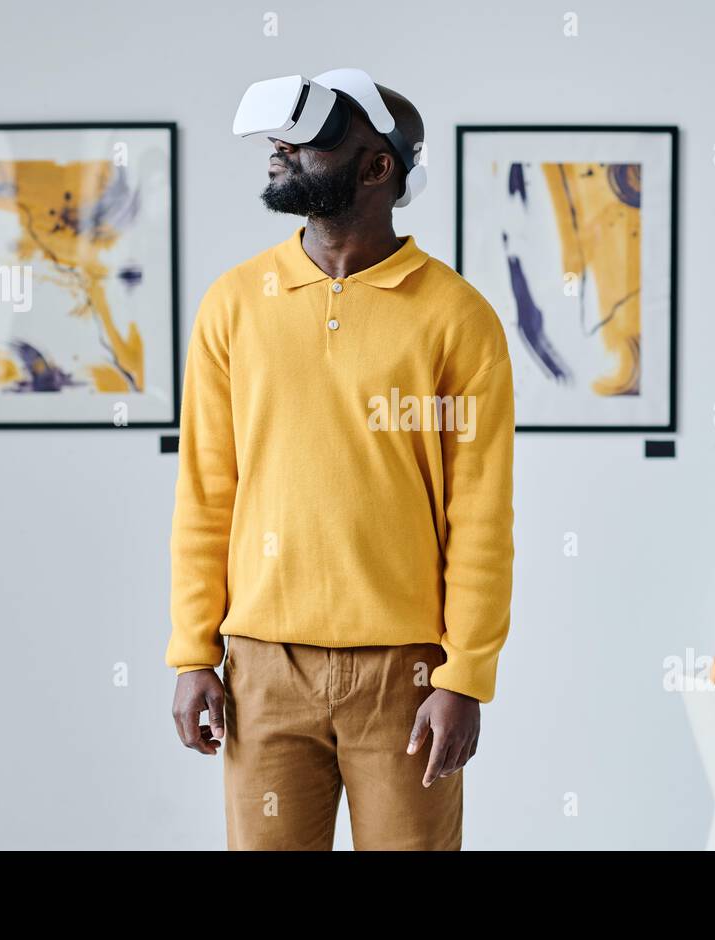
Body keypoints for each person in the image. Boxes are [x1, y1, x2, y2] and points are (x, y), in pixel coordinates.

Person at [167, 70, 514, 850]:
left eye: (312, 138)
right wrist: (194, 653)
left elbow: (482, 516)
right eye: (279, 140)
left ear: (376, 166)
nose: (281, 150)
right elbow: (204, 495)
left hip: (408, 678)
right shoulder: (233, 304)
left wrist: (464, 676)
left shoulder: (459, 320)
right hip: (262, 671)